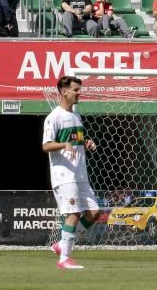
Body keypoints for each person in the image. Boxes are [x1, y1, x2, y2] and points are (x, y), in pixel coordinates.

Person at [43, 76, 102, 269]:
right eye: (75, 90)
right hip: (64, 175)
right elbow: (46, 145)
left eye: (79, 89)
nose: (79, 93)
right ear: (63, 92)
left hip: (80, 175)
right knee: (74, 213)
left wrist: (86, 144)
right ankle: (64, 259)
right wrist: (63, 144)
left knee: (94, 212)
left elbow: (75, 141)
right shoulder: (54, 116)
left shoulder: (76, 116)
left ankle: (62, 244)